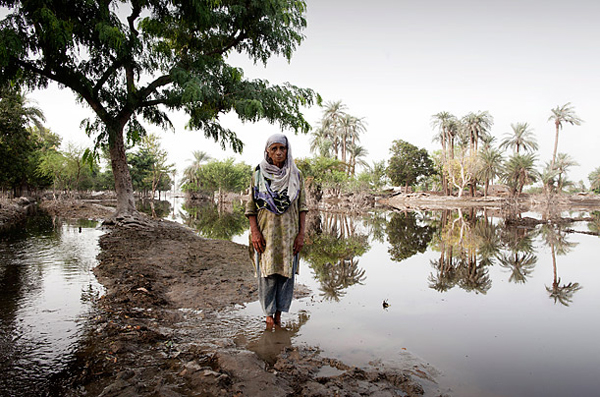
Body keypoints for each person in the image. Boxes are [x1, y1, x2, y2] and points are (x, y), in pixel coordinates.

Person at [245, 133, 308, 328]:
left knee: (285, 274)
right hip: (266, 234)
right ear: (268, 151)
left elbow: (303, 206)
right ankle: (269, 316)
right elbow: (250, 208)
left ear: (288, 151)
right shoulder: (258, 174)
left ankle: (279, 314)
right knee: (268, 274)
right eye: (274, 149)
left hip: (289, 235)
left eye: (282, 148)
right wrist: (255, 232)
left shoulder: (296, 175)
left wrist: (301, 234)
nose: (279, 152)